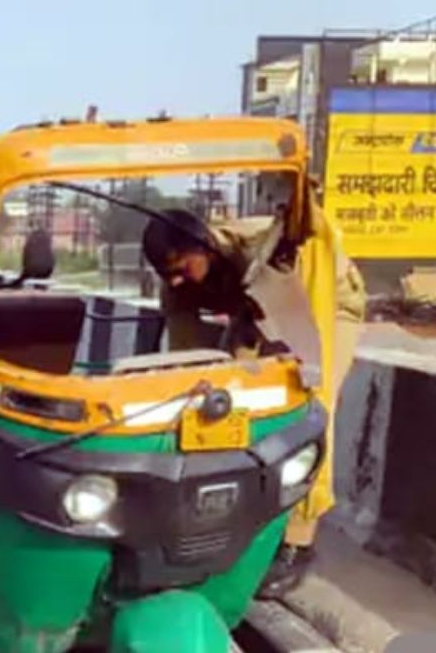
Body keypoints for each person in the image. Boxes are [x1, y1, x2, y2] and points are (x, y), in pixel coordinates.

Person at [141, 199, 366, 598]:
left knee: (309, 404)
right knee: (225, 408)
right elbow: (188, 364)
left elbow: (312, 236)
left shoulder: (259, 246)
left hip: (323, 298)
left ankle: (298, 542)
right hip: (257, 307)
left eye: (180, 270)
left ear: (204, 247)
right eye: (165, 275)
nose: (174, 282)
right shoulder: (176, 286)